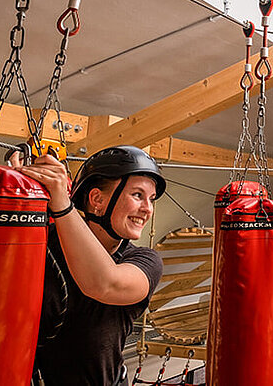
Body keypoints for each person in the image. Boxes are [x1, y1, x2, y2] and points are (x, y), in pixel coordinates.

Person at [14, 145, 166, 386]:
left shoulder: (145, 261)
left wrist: (62, 205)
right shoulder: (41, 242)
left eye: (151, 199)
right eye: (138, 195)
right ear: (97, 199)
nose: (147, 209)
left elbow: (105, 283)